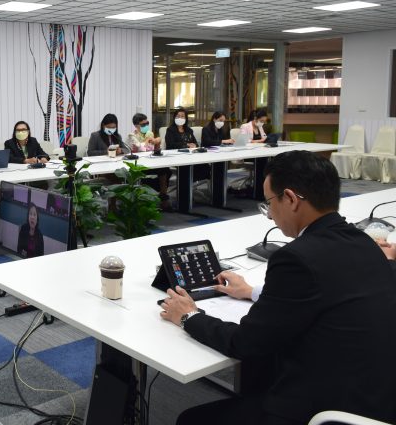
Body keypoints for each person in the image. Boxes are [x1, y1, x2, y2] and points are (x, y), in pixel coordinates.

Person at [161, 151, 396, 425]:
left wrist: (190, 316)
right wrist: (251, 291)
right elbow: (327, 291)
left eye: (270, 203)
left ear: (292, 199)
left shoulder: (297, 258)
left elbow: (245, 343)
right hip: (378, 398)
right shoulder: (364, 242)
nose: (270, 214)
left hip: (325, 411)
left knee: (192, 420)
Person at [128, 113, 172, 210]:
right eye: (143, 125)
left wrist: (157, 142)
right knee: (147, 173)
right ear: (136, 126)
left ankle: (163, 196)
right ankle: (144, 200)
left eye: (147, 123)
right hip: (139, 164)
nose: (146, 126)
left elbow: (154, 150)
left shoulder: (149, 133)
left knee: (165, 169)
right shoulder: (132, 135)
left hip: (151, 161)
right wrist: (149, 140)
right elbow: (141, 149)